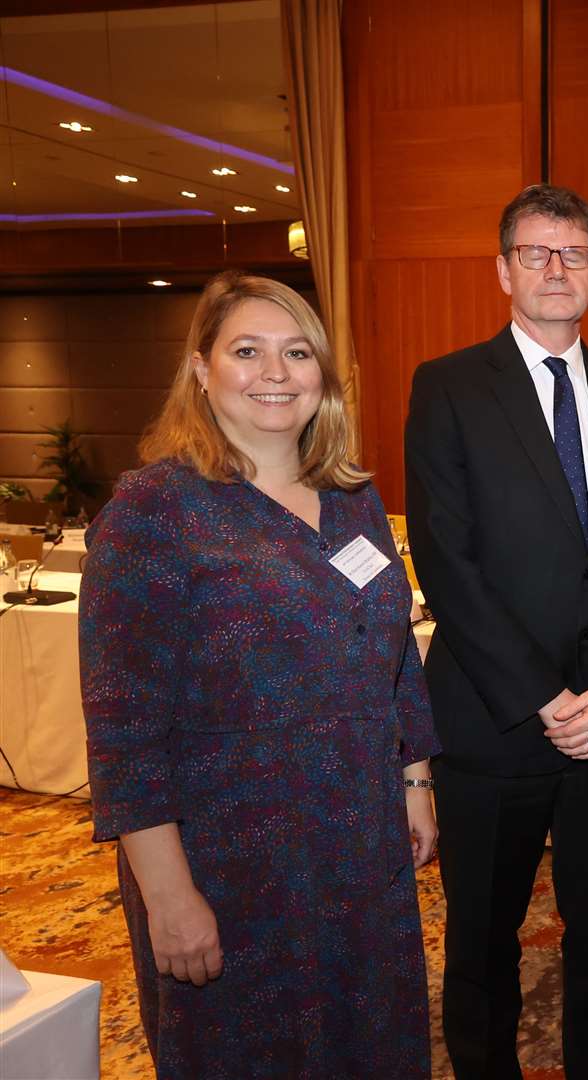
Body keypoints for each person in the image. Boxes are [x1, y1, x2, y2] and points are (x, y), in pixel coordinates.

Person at [80, 271, 439, 1078]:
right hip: (231, 857)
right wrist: (170, 899)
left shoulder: (353, 497)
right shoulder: (152, 512)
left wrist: (414, 780)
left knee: (370, 1042)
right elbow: (123, 731)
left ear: (322, 375)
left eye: (297, 352)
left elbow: (394, 648)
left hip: (357, 838)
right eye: (248, 351)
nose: (277, 372)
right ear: (202, 369)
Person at [404, 183, 588, 1079]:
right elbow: (449, 565)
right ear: (503, 270)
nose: (556, 270)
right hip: (495, 723)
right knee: (483, 947)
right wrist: (545, 697)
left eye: (573, 255)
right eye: (536, 253)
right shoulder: (447, 388)